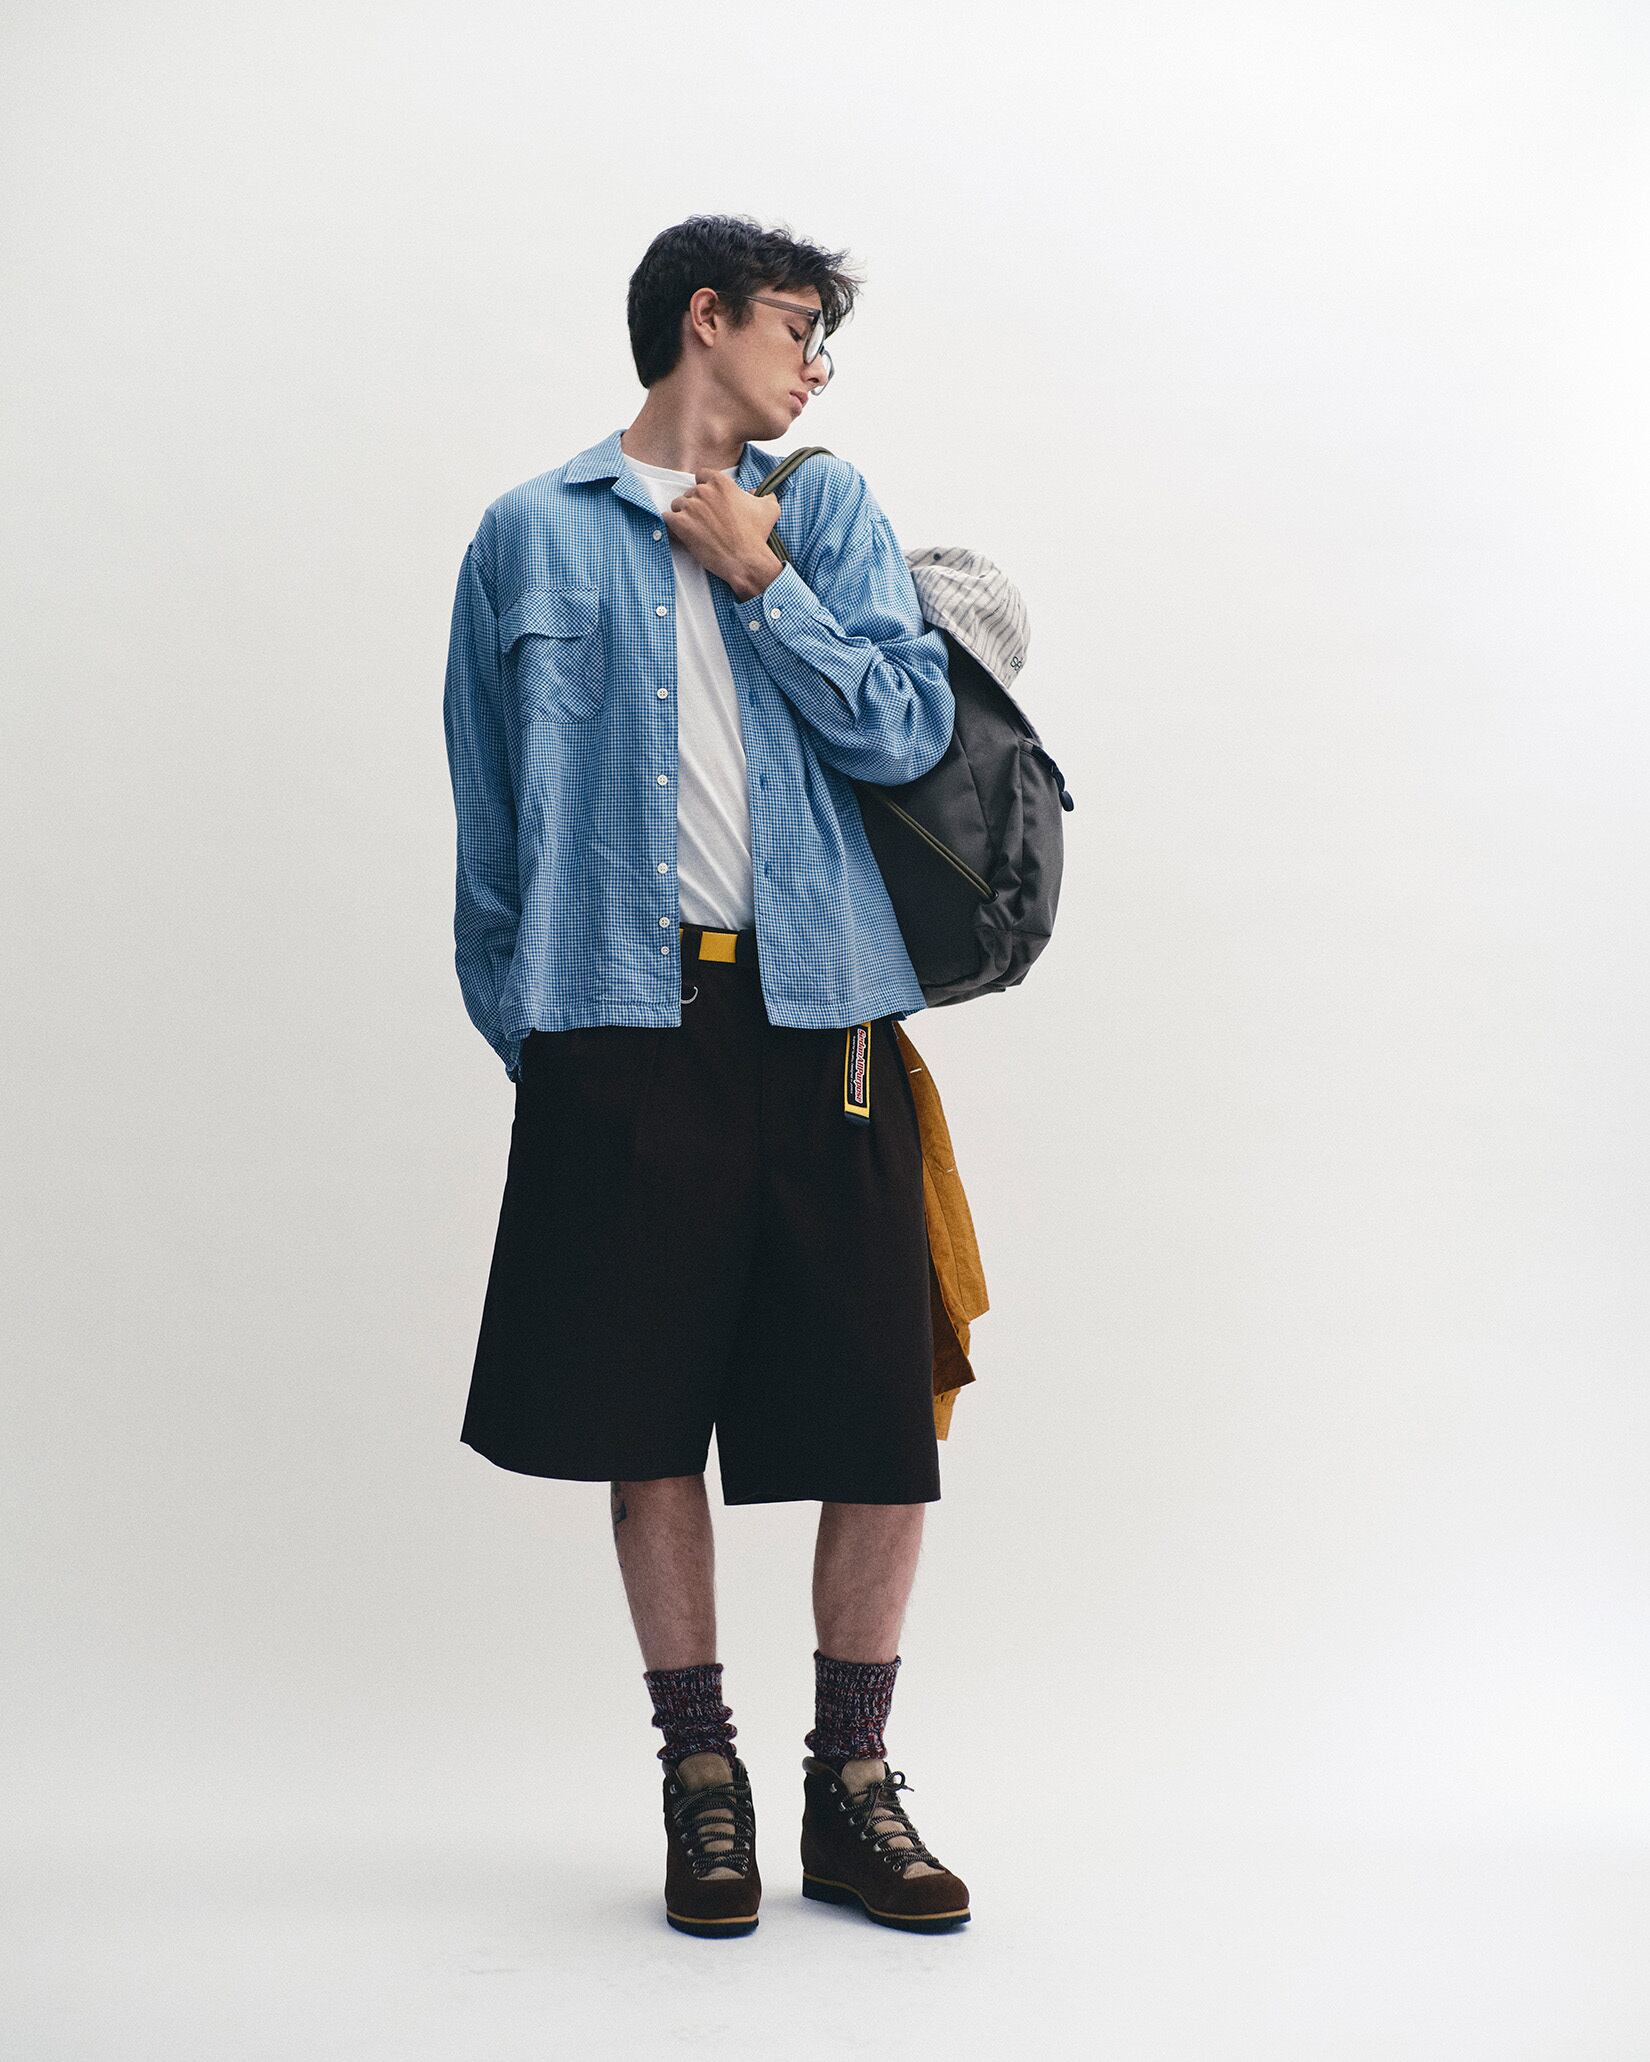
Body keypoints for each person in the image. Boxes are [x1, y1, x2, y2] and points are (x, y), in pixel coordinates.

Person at [442, 213, 971, 1937]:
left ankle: (851, 1782)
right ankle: (701, 1777)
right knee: (643, 1409)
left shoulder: (825, 511)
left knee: (877, 1422)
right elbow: (491, 831)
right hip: (619, 1026)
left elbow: (903, 726)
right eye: (798, 326)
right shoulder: (527, 537)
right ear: (705, 318)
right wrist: (539, 1037)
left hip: (825, 1020)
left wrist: (764, 576)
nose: (814, 364)